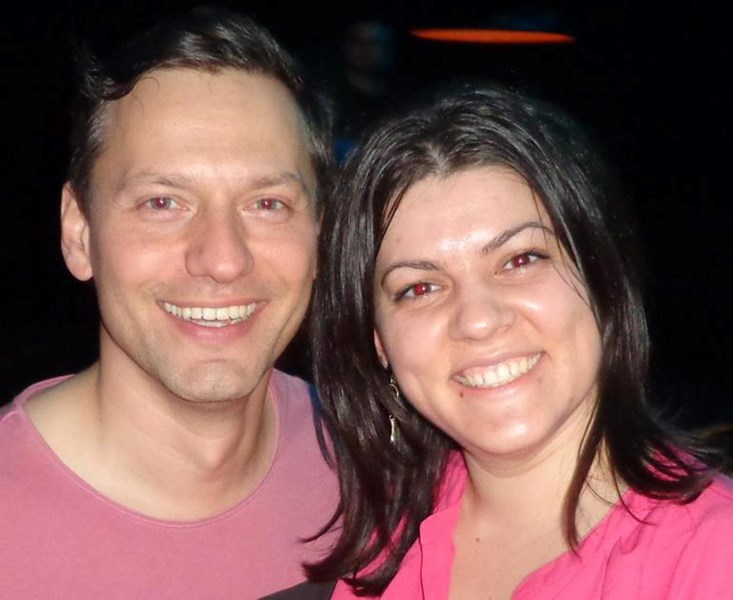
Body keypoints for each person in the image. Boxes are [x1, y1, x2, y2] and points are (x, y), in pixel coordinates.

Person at [307, 82, 733, 598]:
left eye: (520, 260)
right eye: (420, 288)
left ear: (601, 278)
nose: (478, 320)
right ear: (379, 342)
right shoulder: (382, 538)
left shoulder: (714, 555)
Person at [0, 6, 338, 598]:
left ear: (320, 233)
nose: (223, 259)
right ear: (79, 233)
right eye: (162, 203)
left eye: (268, 204)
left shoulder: (381, 472)